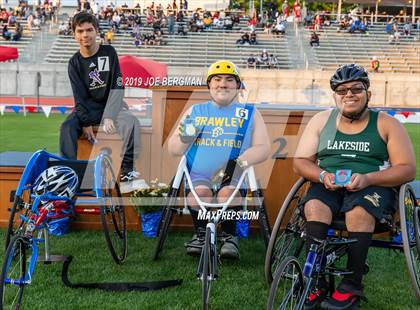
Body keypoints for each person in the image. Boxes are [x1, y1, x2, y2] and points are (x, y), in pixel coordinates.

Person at [293, 64, 416, 309]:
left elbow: (407, 168)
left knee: (358, 212)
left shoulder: (387, 124)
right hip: (328, 182)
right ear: (335, 96)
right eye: (342, 90)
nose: (349, 94)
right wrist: (322, 175)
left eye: (356, 89)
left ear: (368, 93)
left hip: (373, 185)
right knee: (315, 206)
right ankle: (315, 282)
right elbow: (300, 162)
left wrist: (368, 178)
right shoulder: (321, 120)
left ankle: (352, 285)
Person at [168, 60, 270, 259]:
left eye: (229, 80)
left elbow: (264, 148)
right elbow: (173, 149)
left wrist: (239, 162)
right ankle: (200, 235)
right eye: (217, 79)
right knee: (200, 194)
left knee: (228, 194)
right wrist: (184, 138)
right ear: (209, 85)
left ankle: (229, 236)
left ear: (238, 85)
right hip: (198, 171)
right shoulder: (195, 111)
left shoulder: (249, 112)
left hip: (233, 170)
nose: (223, 84)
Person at [59, 12, 141, 185]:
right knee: (66, 127)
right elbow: (79, 96)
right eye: (80, 31)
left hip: (112, 107)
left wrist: (110, 115)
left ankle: (127, 171)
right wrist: (85, 122)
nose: (85, 35)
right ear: (74, 34)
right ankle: (70, 175)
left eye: (89, 30)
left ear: (96, 31)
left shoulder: (109, 52)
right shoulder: (74, 62)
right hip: (88, 110)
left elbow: (117, 86)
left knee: (132, 122)